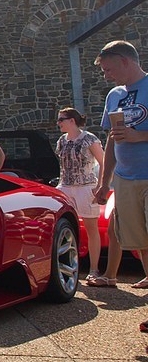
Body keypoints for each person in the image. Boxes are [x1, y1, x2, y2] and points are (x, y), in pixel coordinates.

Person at [92, 41, 148, 289]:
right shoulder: (114, 95)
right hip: (125, 179)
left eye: (108, 69)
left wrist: (141, 136)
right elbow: (111, 140)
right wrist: (105, 183)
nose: (107, 76)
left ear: (125, 61)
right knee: (141, 243)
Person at [54, 107, 105, 283]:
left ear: (71, 121)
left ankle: (94, 269)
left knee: (91, 228)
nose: (58, 123)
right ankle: (68, 267)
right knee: (63, 226)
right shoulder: (62, 140)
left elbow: (103, 162)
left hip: (85, 186)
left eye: (61, 119)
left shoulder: (89, 139)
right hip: (65, 186)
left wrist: (100, 185)